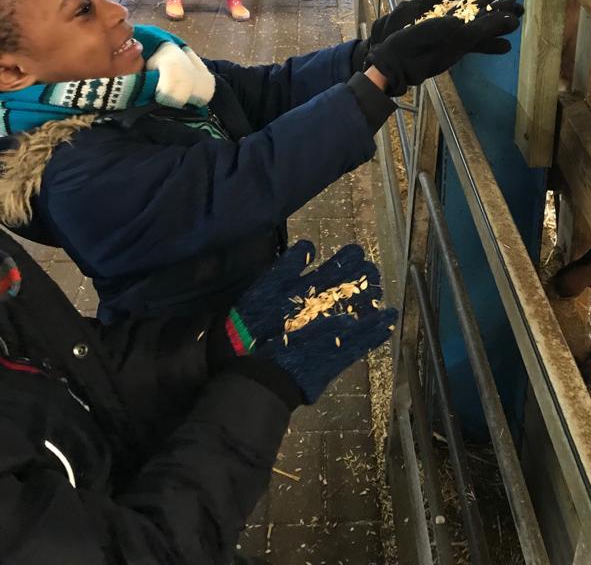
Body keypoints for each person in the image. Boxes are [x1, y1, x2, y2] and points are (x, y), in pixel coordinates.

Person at [0, 0, 523, 325]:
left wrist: (368, 52)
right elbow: (243, 179)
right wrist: (380, 79)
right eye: (83, 9)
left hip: (236, 307)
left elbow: (263, 90)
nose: (117, 11)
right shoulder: (74, 175)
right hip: (186, 362)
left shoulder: (154, 79)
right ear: (11, 71)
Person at [0, 225, 396, 565]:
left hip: (136, 489)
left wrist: (213, 345)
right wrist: (261, 389)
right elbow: (141, 554)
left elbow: (68, 360)